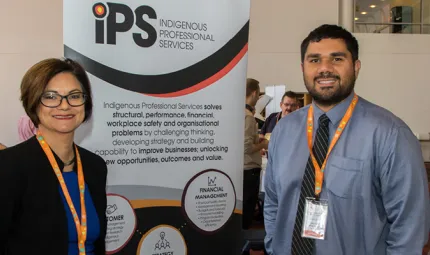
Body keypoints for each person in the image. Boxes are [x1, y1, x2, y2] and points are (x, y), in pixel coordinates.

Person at [263, 24, 429, 255]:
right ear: (303, 68)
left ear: (356, 67)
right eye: (314, 60)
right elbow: (273, 201)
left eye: (337, 59)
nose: (325, 69)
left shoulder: (390, 134)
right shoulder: (284, 131)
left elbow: (409, 225)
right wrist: (273, 246)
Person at [0, 58, 108, 254]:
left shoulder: (95, 166)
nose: (65, 106)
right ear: (33, 103)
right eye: (50, 97)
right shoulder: (9, 167)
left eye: (74, 96)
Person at [243, 78, 269, 229]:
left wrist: (256, 139)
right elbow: (246, 147)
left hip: (245, 169)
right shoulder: (247, 116)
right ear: (254, 94)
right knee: (247, 212)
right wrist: (263, 144)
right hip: (248, 169)